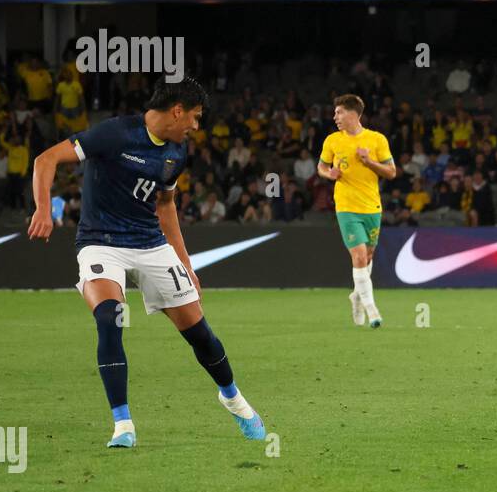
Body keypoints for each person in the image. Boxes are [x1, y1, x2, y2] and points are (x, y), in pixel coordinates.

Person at [26, 78, 265, 449]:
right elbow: (46, 159)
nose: (196, 127)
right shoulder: (115, 134)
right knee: (110, 317)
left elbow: (165, 207)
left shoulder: (175, 154)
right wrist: (44, 208)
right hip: (101, 243)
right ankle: (123, 424)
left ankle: (232, 398)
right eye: (196, 117)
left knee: (198, 333)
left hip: (151, 245)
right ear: (177, 110)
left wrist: (185, 264)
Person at [317, 94, 396, 328]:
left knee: (368, 256)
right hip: (346, 207)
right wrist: (328, 174)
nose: (335, 117)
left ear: (354, 114)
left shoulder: (376, 139)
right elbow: (321, 166)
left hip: (372, 207)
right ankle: (372, 311)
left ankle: (356, 296)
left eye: (339, 112)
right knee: (359, 256)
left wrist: (369, 161)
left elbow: (391, 172)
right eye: (335, 113)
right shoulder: (332, 141)